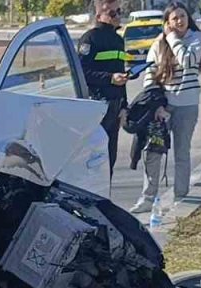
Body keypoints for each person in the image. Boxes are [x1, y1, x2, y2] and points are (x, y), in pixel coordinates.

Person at [130, 3, 201, 215]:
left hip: (187, 106)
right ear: (167, 22)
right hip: (163, 107)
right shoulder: (158, 44)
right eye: (174, 18)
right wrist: (156, 106)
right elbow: (150, 74)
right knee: (152, 152)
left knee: (182, 152)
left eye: (182, 16)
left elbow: (188, 61)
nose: (179, 21)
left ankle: (181, 196)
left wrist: (172, 38)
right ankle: (147, 198)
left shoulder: (197, 39)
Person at [78, 0, 130, 184]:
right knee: (94, 159)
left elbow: (121, 75)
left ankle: (106, 197)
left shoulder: (118, 39)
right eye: (113, 13)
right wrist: (109, 78)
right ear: (99, 15)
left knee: (110, 157)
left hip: (115, 107)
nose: (117, 15)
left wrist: (124, 105)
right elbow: (82, 73)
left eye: (119, 11)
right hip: (97, 106)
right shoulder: (89, 39)